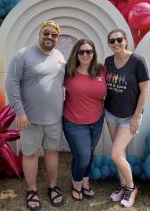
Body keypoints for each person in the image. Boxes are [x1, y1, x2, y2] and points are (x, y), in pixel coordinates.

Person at [5, 20, 65, 211]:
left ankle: (53, 187)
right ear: (39, 33)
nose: (49, 37)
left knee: (52, 152)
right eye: (46, 33)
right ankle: (32, 190)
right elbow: (11, 84)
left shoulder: (59, 56)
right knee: (30, 154)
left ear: (57, 38)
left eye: (54, 35)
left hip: (55, 118)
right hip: (29, 119)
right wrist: (20, 113)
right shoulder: (22, 55)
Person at [104, 28, 149, 208]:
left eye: (119, 39)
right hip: (111, 113)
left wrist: (136, 116)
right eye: (112, 41)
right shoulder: (108, 61)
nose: (116, 43)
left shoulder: (137, 61)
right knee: (119, 154)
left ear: (125, 41)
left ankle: (131, 188)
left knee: (115, 153)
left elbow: (145, 91)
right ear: (109, 44)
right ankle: (123, 186)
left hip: (130, 116)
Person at [63, 39, 107, 201]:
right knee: (83, 156)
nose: (85, 54)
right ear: (76, 53)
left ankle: (85, 183)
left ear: (93, 53)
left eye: (89, 51)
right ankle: (76, 185)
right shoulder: (68, 71)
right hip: (73, 121)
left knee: (88, 154)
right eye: (81, 51)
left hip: (96, 121)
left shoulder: (101, 70)